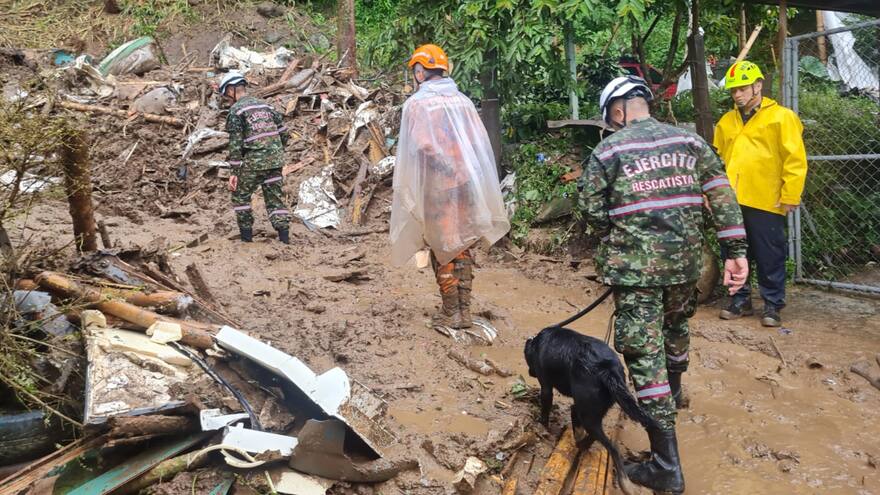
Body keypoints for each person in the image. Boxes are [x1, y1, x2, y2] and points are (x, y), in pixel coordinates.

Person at [578, 75, 750, 494]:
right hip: (686, 266)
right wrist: (736, 251)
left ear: (618, 111)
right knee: (675, 328)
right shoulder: (691, 142)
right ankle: (673, 397)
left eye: (611, 118)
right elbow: (721, 194)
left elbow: (591, 211)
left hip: (636, 271)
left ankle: (666, 466)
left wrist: (617, 236)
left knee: (643, 353)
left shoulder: (609, 150)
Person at [389, 44, 509, 329]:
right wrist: (461, 173)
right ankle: (463, 310)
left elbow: (423, 146)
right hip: (467, 185)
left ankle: (451, 312)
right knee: (462, 243)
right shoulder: (463, 102)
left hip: (438, 188)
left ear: (420, 72)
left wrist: (443, 172)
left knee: (442, 245)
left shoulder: (417, 104)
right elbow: (479, 144)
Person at [714, 61, 808, 327]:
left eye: (742, 89)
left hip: (766, 199)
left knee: (770, 254)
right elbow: (716, 160)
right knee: (732, 251)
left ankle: (772, 303)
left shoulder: (781, 117)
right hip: (731, 201)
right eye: (733, 90)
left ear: (758, 85)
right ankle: (739, 299)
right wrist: (713, 196)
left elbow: (795, 159)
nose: (737, 95)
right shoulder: (726, 121)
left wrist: (790, 195)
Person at [220, 72, 291, 244]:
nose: (227, 99)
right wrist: (274, 151)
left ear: (230, 90)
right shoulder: (267, 107)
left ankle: (246, 239)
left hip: (254, 162)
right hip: (275, 161)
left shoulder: (236, 111)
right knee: (275, 199)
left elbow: (235, 145)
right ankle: (284, 239)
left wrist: (234, 172)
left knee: (240, 196)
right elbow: (284, 134)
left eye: (226, 95)